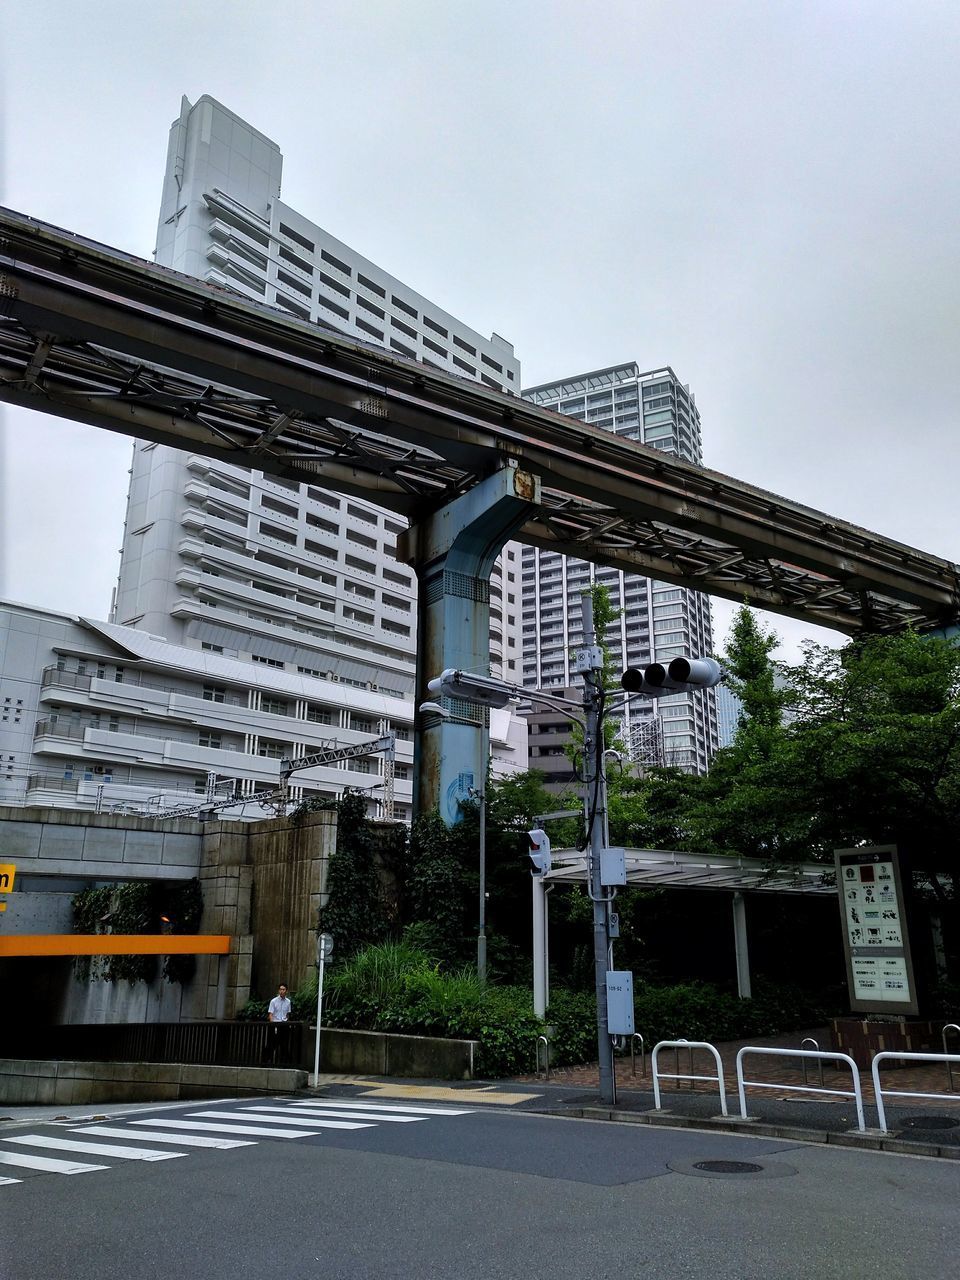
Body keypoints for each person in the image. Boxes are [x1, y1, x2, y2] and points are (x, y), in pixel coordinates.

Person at [263, 982, 292, 1063]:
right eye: (280, 989)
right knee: (271, 1044)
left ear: (286, 991)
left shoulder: (288, 1002)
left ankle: (284, 1061)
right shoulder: (273, 1001)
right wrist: (273, 1025)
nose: (282, 991)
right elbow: (270, 1014)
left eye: (283, 989)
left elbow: (287, 1014)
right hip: (275, 1023)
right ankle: (267, 1060)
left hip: (284, 1024)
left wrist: (287, 1023)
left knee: (284, 1044)